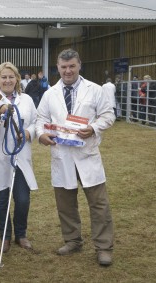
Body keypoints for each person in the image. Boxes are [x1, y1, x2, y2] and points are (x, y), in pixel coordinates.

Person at [35, 49, 115, 266]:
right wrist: (41, 134)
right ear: (58, 67)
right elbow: (40, 118)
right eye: (63, 67)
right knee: (65, 204)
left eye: (72, 66)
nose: (68, 70)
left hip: (87, 154)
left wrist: (94, 127)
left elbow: (109, 114)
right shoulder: (50, 93)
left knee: (99, 204)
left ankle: (104, 246)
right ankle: (72, 241)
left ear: (79, 65)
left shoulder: (95, 90)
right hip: (62, 156)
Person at [0, 62, 38, 253]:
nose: (7, 80)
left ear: (17, 79)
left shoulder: (27, 99)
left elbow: (36, 121)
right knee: (1, 199)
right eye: (3, 77)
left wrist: (28, 133)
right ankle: (4, 236)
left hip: (20, 156)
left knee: (23, 199)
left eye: (11, 77)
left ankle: (21, 234)